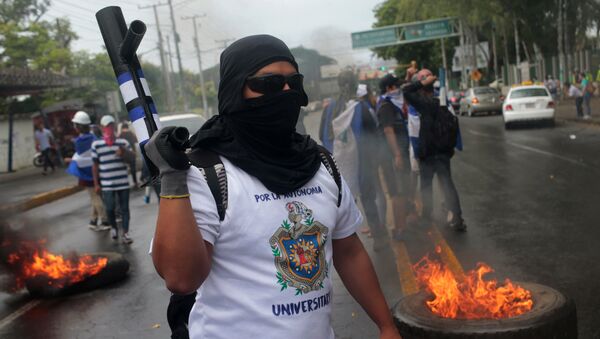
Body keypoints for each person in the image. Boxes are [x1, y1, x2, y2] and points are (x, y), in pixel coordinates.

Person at [146, 34, 401, 339]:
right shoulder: (204, 172)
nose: (284, 92)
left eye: (293, 83)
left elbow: (349, 252)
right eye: (267, 84)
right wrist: (173, 178)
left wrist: (386, 325)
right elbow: (181, 278)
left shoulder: (319, 163)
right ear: (234, 90)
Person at [403, 69, 466, 231]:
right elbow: (454, 127)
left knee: (426, 186)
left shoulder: (423, 103)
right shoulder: (443, 101)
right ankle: (457, 217)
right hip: (443, 152)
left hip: (428, 153)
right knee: (447, 184)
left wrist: (420, 82)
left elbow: (406, 91)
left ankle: (426, 217)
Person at [377, 74, 416, 239]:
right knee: (397, 192)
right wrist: (397, 154)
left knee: (403, 189)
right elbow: (388, 130)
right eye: (395, 86)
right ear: (388, 89)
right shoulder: (386, 106)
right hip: (392, 156)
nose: (399, 89)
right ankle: (400, 229)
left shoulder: (395, 104)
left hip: (400, 153)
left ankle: (403, 225)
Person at [91, 115, 135, 244]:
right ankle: (114, 228)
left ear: (114, 127)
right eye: (106, 126)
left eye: (111, 125)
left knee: (124, 209)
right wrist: (96, 184)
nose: (109, 128)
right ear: (102, 128)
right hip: (107, 184)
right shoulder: (97, 145)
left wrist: (124, 152)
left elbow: (132, 158)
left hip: (123, 183)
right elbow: (95, 166)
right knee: (109, 208)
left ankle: (126, 233)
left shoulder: (122, 143)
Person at [67, 111, 110, 231]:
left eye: (76, 124)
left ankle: (105, 220)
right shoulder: (94, 138)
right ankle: (93, 220)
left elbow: (81, 158)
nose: (75, 127)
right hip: (99, 172)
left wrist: (70, 160)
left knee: (95, 197)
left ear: (79, 126)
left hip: (87, 175)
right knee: (95, 197)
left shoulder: (79, 141)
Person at [118, 122, 139, 186]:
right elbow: (136, 141)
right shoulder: (131, 133)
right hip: (131, 153)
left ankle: (124, 183)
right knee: (133, 169)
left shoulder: (120, 135)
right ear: (127, 127)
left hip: (123, 155)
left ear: (122, 128)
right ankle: (135, 182)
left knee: (124, 169)